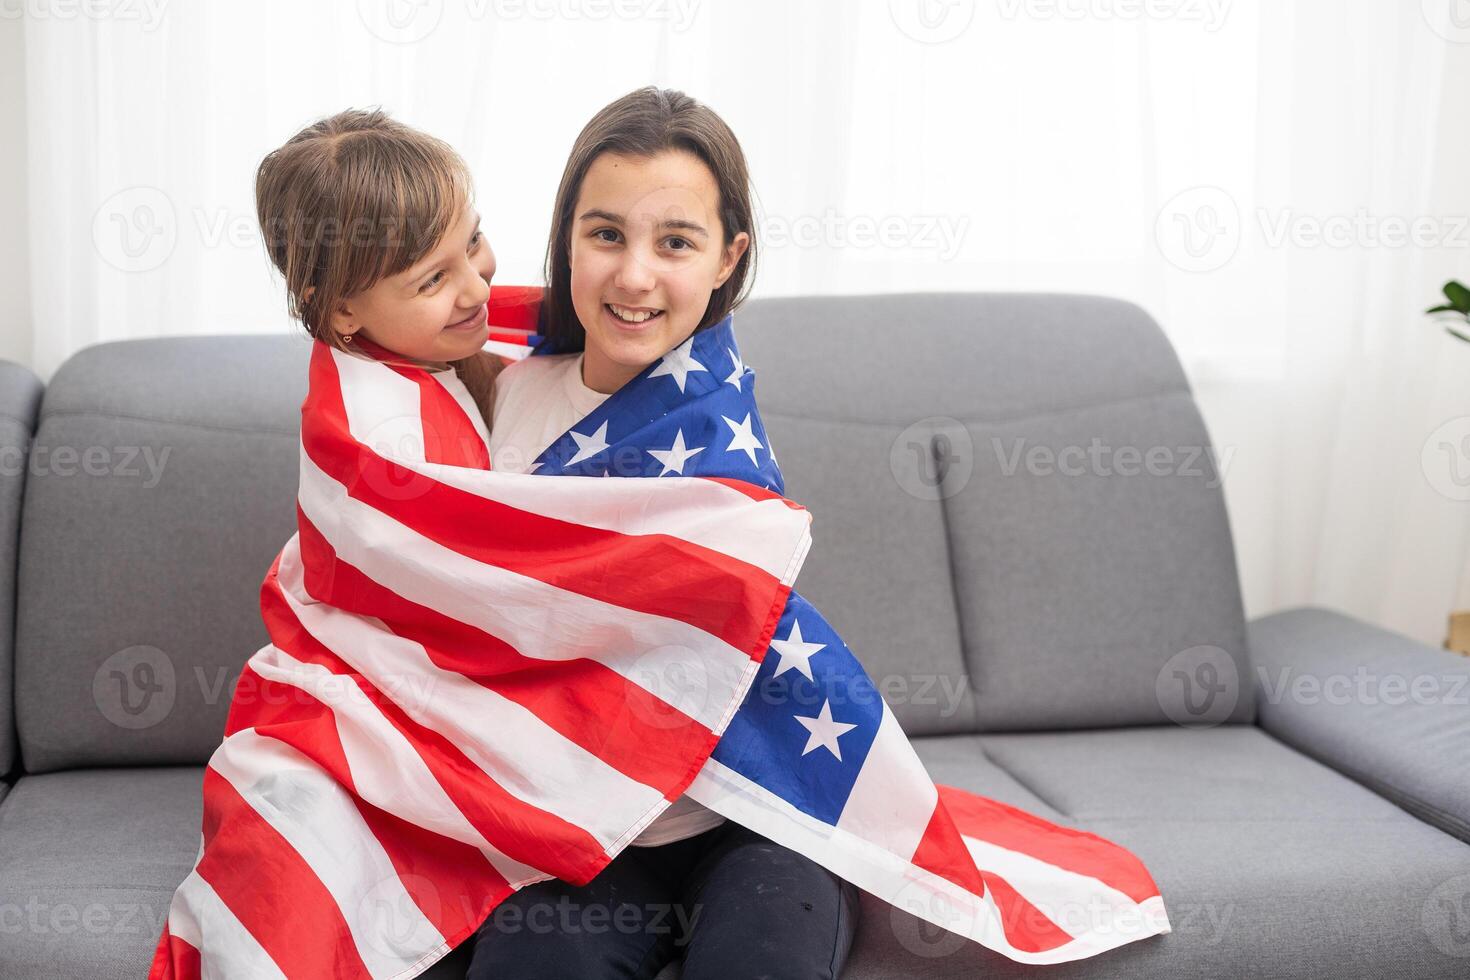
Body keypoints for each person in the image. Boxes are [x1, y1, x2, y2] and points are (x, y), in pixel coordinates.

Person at [467, 86, 861, 980]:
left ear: (729, 257)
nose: (635, 276)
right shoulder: (500, 395)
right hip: (582, 824)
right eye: (605, 234)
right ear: (567, 239)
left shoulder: (721, 429)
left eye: (674, 242)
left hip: (755, 806)